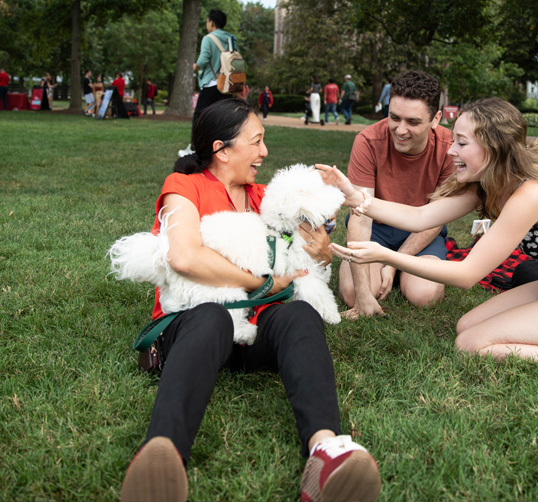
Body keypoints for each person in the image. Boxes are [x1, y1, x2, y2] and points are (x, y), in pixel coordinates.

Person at [117, 99, 381, 502]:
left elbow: (312, 251)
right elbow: (185, 257)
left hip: (256, 331)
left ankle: (325, 451)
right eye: (256, 142)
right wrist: (261, 283)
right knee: (212, 319)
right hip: (196, 325)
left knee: (299, 315)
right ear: (222, 149)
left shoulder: (264, 198)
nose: (265, 152)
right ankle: (163, 456)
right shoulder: (183, 187)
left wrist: (322, 248)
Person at [322, 96, 538, 381]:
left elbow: (467, 275)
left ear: (493, 148)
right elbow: (421, 217)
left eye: (462, 143)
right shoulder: (491, 182)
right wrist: (356, 197)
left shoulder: (531, 193)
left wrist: (387, 256)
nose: (450, 150)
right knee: (467, 326)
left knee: (471, 344)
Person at [337, 70, 454, 319]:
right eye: (394, 117)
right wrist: (362, 294)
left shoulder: (450, 148)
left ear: (435, 119)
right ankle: (381, 272)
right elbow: (360, 216)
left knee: (425, 296)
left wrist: (393, 263)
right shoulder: (368, 141)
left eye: (413, 122)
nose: (400, 130)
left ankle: (399, 272)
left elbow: (436, 217)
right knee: (352, 293)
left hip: (421, 234)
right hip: (375, 231)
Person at [192, 9, 234, 134]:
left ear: (211, 22)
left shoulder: (208, 38)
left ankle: (196, 148)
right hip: (226, 84)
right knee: (221, 118)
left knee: (200, 116)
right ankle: (220, 147)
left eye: (207, 21)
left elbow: (203, 59)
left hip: (211, 83)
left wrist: (196, 66)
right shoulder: (230, 39)